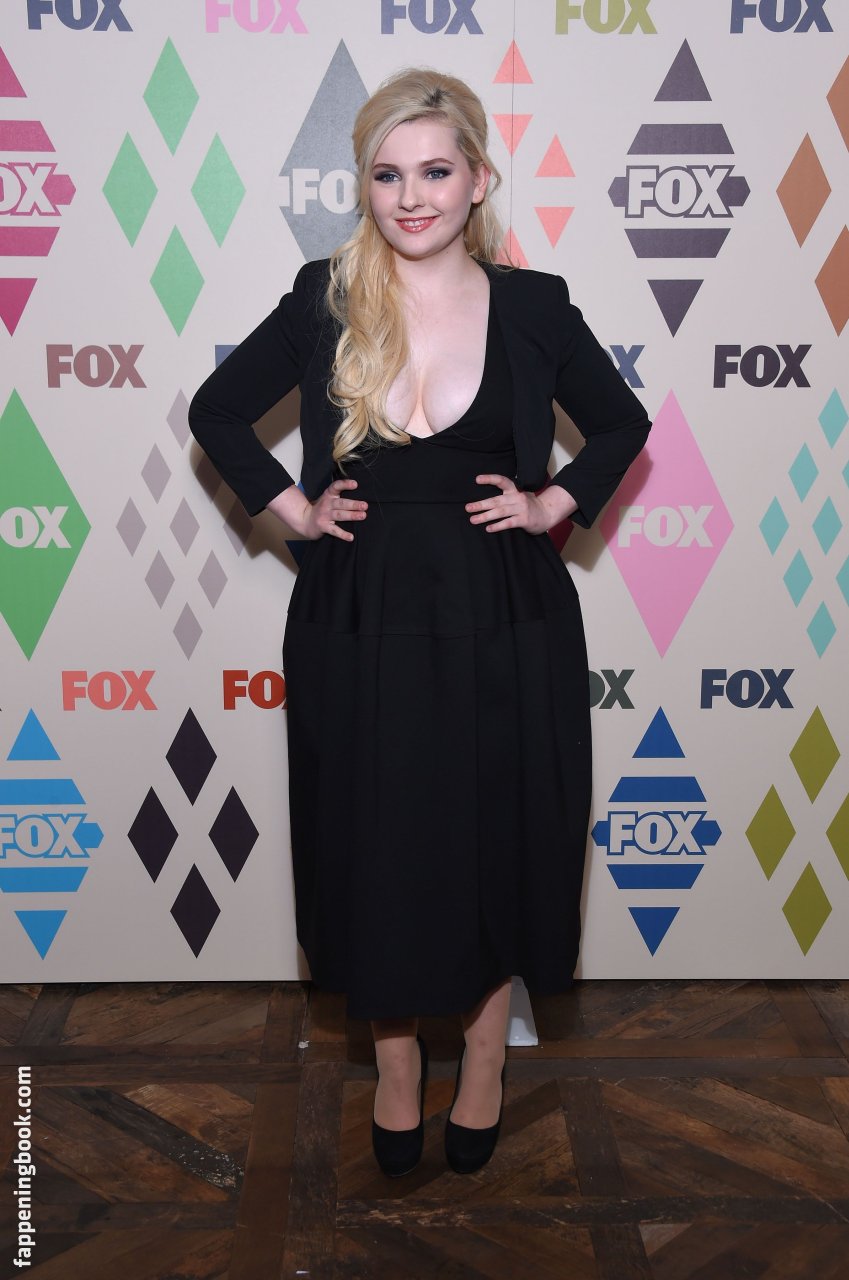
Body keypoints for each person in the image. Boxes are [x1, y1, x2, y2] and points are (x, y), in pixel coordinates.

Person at [188, 67, 651, 1179]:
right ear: (364, 185)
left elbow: (620, 423)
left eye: (435, 171)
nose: (411, 197)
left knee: (500, 837)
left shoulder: (535, 307)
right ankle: (395, 1068)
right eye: (387, 175)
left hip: (504, 614)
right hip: (360, 613)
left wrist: (553, 501)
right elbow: (218, 410)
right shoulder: (326, 297)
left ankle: (484, 1060)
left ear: (478, 180)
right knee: (374, 842)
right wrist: (295, 507)